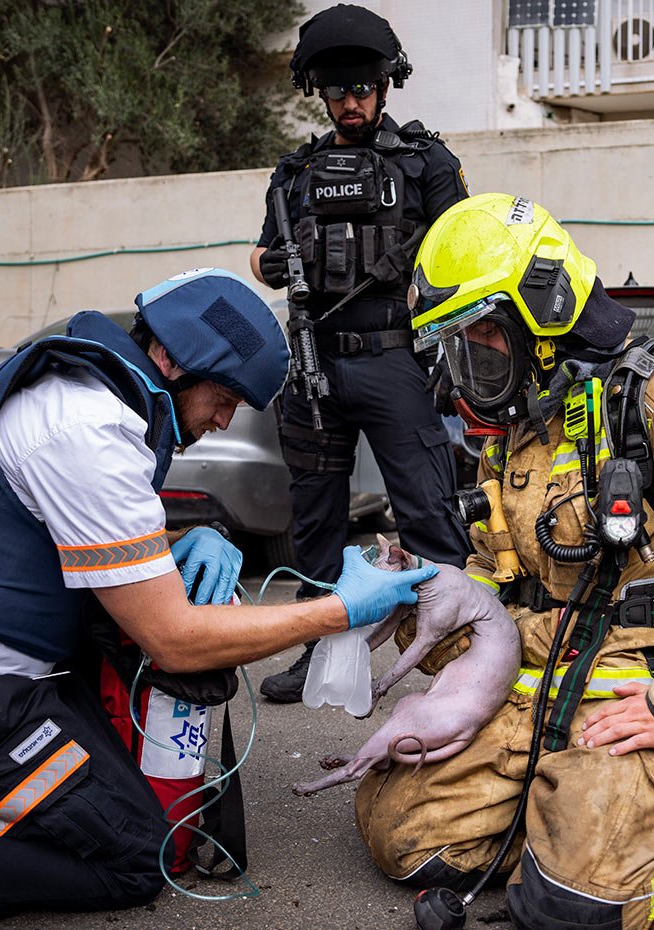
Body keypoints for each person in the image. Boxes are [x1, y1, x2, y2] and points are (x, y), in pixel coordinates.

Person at [0, 268, 437, 928]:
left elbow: (77, 532)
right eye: (224, 400)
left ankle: (4, 812)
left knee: (117, 806)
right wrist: (341, 610)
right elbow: (174, 639)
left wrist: (183, 537)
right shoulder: (86, 427)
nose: (224, 421)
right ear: (175, 363)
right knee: (136, 855)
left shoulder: (82, 394)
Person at [352, 194, 654, 930]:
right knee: (401, 837)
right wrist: (418, 597)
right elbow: (489, 579)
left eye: (482, 338)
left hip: (634, 695)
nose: (470, 368)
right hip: (537, 686)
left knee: (573, 914)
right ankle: (580, 817)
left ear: (544, 313)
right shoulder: (516, 435)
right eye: (458, 347)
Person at [250, 4, 471, 703]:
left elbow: (461, 250)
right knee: (314, 517)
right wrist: (277, 265)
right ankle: (316, 655)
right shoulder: (295, 174)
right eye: (336, 90)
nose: (350, 101)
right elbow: (258, 255)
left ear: (385, 84)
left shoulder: (427, 162)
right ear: (319, 91)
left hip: (392, 359)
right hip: (314, 363)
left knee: (428, 506)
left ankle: (460, 644)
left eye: (361, 88)